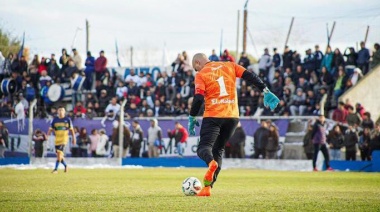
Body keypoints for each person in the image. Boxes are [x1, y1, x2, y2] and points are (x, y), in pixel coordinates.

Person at [188, 53, 279, 196]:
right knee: (218, 150)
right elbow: (250, 76)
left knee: (204, 148)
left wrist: (192, 116)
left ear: (198, 63)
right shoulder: (230, 65)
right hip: (232, 117)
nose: (196, 71)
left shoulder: (201, 74)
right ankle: (207, 188)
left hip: (213, 115)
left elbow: (199, 98)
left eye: (195, 68)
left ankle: (211, 163)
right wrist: (265, 90)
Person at [46, 106, 76, 173]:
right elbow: (50, 129)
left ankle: (55, 169)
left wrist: (74, 138)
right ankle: (65, 166)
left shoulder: (67, 120)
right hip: (57, 140)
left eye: (62, 110)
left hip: (64, 140)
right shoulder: (55, 120)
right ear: (57, 111)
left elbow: (72, 130)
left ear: (64, 112)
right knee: (59, 156)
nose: (61, 111)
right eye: (59, 110)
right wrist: (47, 136)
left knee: (59, 154)